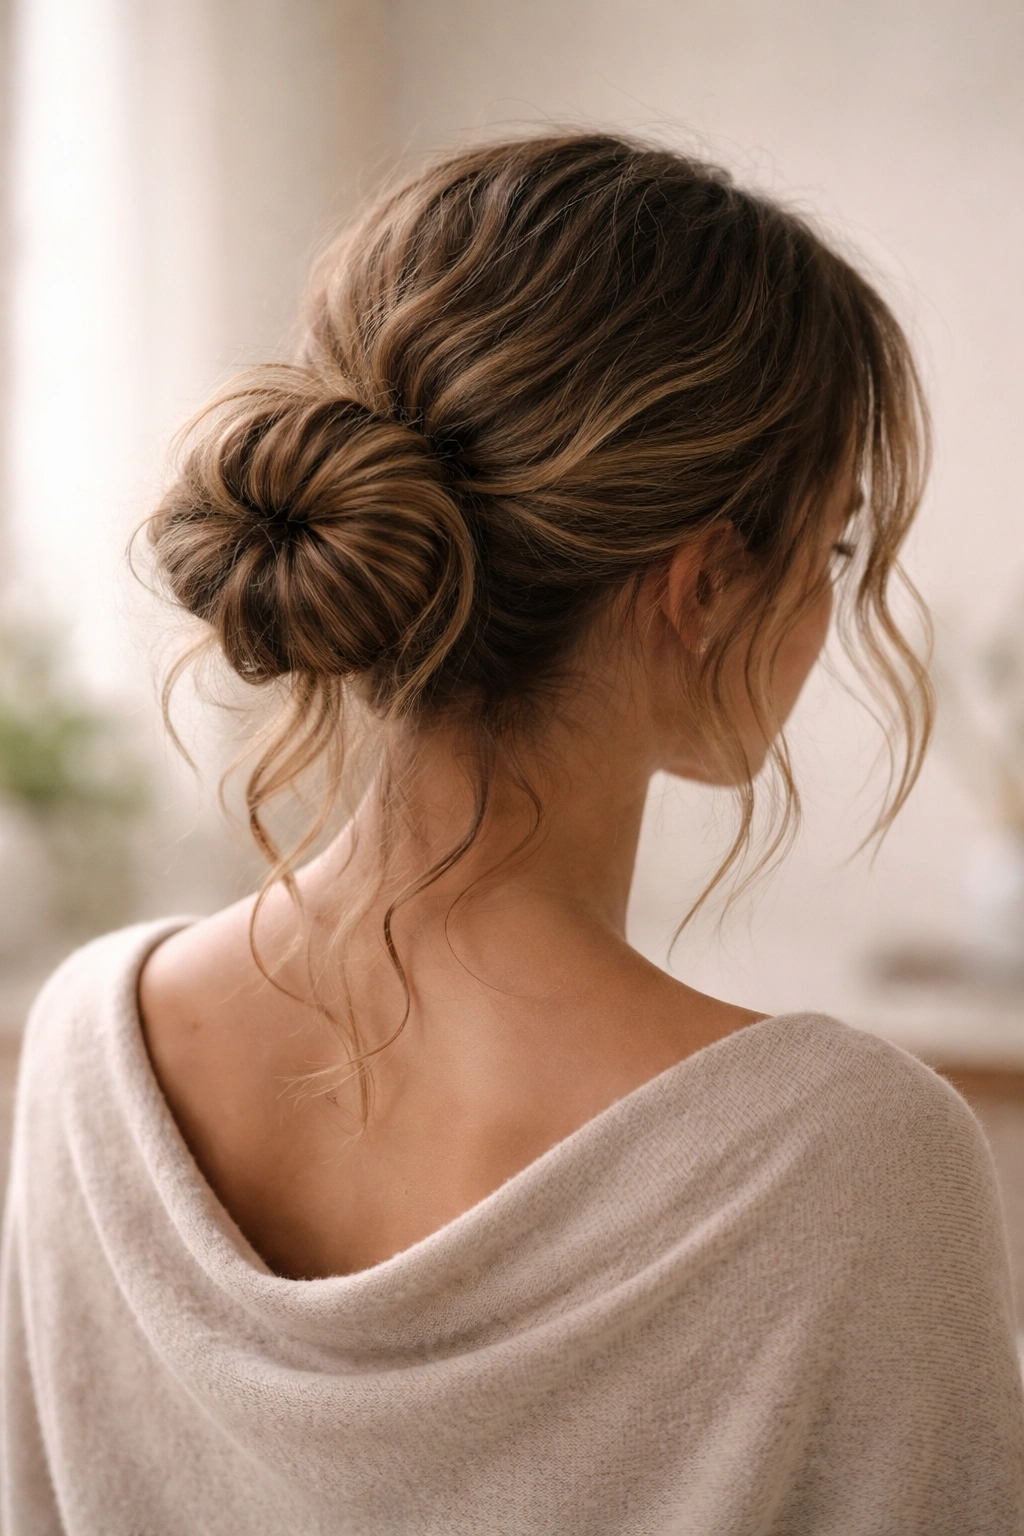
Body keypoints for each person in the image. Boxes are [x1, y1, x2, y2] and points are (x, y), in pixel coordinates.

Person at [2, 132, 1022, 1535]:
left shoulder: (84, 1049)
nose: (829, 609)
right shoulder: (851, 1168)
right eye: (832, 547)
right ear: (707, 584)